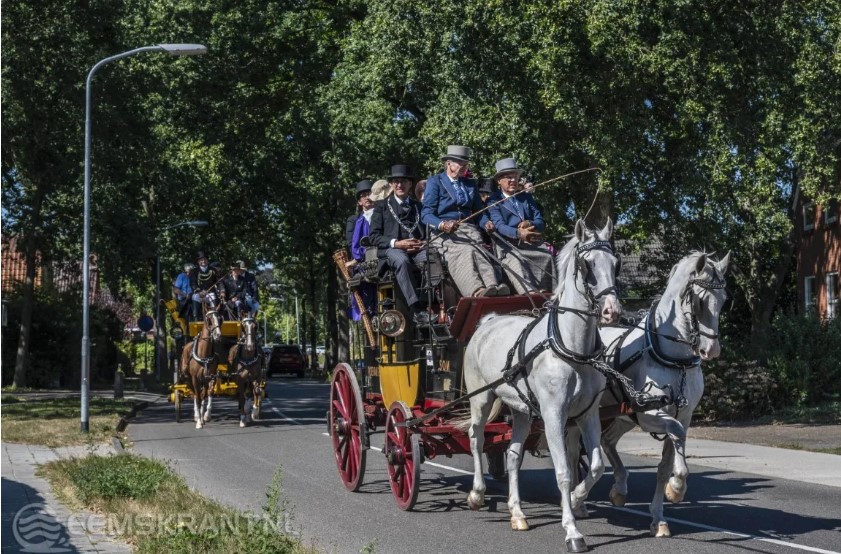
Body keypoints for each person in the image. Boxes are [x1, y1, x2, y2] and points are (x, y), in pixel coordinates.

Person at [421, 145, 508, 297]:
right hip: (444, 235)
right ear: (448, 163)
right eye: (459, 163)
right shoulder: (435, 182)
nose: (463, 166)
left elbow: (478, 213)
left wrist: (486, 223)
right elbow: (426, 214)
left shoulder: (469, 184)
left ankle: (493, 286)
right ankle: (476, 290)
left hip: (469, 231)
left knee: (480, 249)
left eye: (465, 163)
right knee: (468, 251)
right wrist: (442, 224)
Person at [369, 164, 430, 324]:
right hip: (392, 250)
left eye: (403, 181)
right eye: (396, 181)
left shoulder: (419, 206)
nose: (399, 185)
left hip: (417, 249)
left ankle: (429, 302)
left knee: (433, 257)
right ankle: (417, 309)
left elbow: (428, 231)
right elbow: (374, 237)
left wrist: (423, 243)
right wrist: (397, 243)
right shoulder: (381, 207)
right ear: (391, 184)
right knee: (401, 260)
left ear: (410, 184)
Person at [488, 157, 555, 294]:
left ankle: (551, 292)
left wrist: (530, 223)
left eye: (515, 177)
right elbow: (500, 226)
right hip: (509, 246)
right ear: (499, 181)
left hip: (532, 244)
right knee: (517, 260)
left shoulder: (526, 198)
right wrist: (519, 234)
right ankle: (530, 293)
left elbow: (540, 222)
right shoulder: (494, 201)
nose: (513, 180)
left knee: (548, 257)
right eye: (508, 177)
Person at [189, 251, 223, 320]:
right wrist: (199, 291)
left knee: (213, 297)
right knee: (194, 297)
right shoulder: (194, 271)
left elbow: (219, 282)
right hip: (199, 293)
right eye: (201, 260)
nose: (203, 261)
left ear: (207, 260)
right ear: (198, 261)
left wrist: (222, 291)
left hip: (210, 293)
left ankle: (214, 317)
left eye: (205, 259)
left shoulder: (213, 270)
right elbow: (193, 283)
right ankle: (196, 319)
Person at [346, 179, 374, 252]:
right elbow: (351, 243)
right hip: (361, 258)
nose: (367, 197)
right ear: (359, 202)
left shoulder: (383, 215)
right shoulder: (353, 220)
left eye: (369, 194)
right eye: (363, 196)